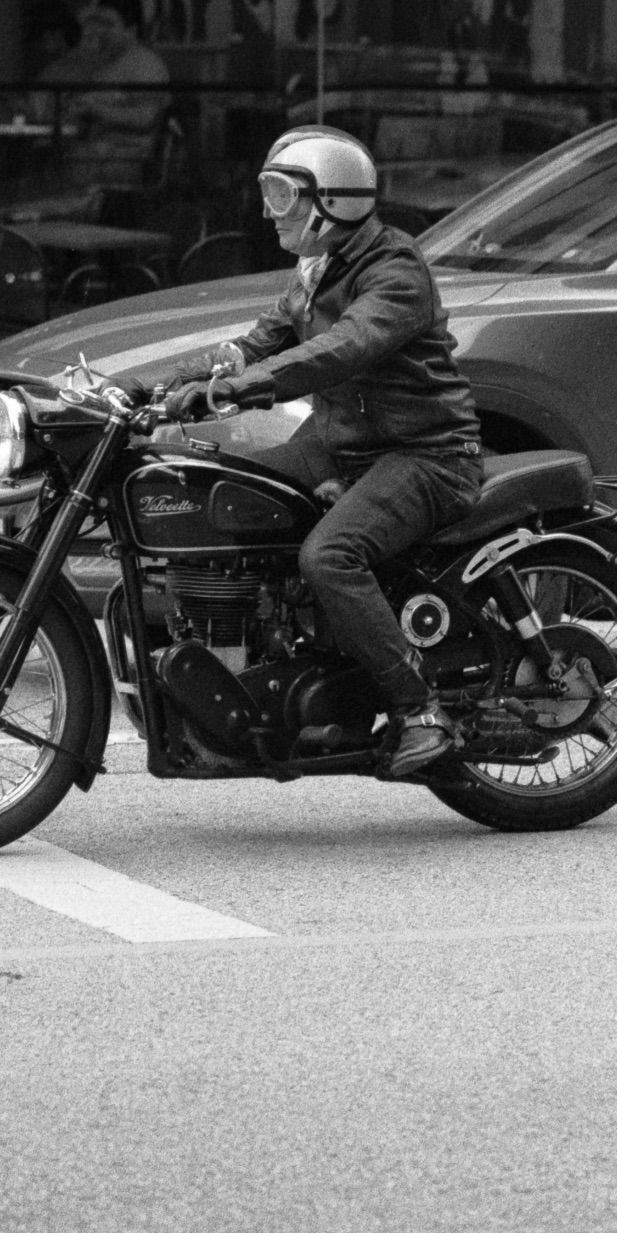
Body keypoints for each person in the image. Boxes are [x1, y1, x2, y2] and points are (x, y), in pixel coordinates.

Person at [156, 125, 484, 777]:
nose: (267, 210)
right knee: (218, 491)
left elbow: (340, 349)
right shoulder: (314, 269)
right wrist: (157, 382)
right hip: (340, 445)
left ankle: (419, 711)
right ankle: (259, 663)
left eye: (281, 195)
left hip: (422, 452)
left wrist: (231, 394)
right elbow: (255, 344)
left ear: (330, 201)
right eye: (267, 193)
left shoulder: (394, 271)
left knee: (329, 556)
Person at [64, 0, 169, 192]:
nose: (100, 31)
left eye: (108, 24)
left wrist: (95, 110)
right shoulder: (101, 64)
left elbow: (146, 118)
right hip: (91, 153)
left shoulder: (146, 65)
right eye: (98, 23)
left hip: (126, 158)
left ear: (131, 29)